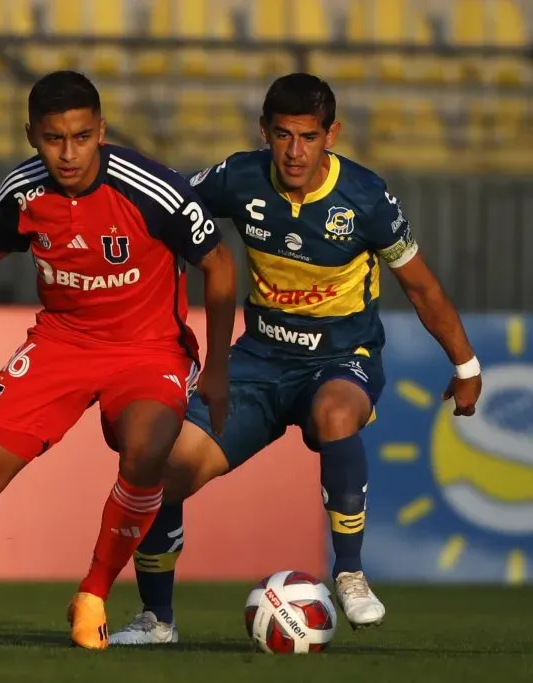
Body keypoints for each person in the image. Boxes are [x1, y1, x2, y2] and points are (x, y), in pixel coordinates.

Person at [0, 70, 237, 649]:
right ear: (31, 136)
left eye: (82, 137)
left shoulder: (152, 188)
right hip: (60, 344)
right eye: (53, 139)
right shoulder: (23, 190)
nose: (68, 153)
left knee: (145, 455)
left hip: (147, 350)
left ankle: (91, 594)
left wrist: (215, 367)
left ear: (101, 131)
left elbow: (219, 263)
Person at [109, 73, 482, 646]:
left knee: (336, 413)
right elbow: (167, 209)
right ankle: (157, 619)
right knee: (164, 473)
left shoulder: (366, 197)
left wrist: (465, 367)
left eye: (308, 137)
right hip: (258, 361)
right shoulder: (239, 177)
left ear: (331, 134)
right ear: (265, 132)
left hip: (341, 358)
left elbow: (423, 289)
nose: (294, 152)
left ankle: (350, 572)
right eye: (282, 136)